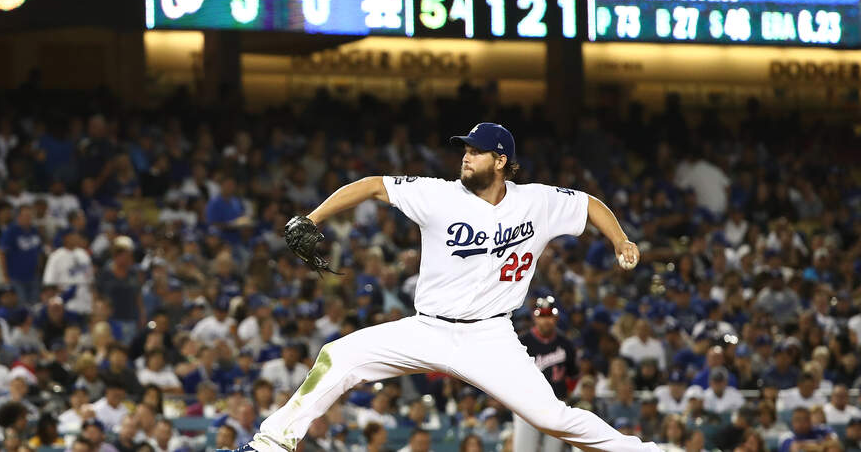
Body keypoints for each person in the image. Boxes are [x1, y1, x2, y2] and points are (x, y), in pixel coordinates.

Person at [229, 123, 659, 452]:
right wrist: (314, 218)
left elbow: (588, 204)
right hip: (428, 328)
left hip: (490, 336)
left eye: (476, 151)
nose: (466, 157)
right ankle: (270, 444)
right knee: (338, 356)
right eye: (465, 150)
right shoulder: (439, 195)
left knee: (553, 418)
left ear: (501, 160)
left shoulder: (537, 201)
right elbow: (373, 186)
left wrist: (620, 240)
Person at [515, 298, 579, 452]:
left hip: (556, 406)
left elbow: (573, 375)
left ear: (556, 318)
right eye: (542, 316)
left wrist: (565, 396)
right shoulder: (522, 342)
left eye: (549, 316)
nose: (546, 320)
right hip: (527, 406)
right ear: (534, 317)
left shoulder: (565, 344)